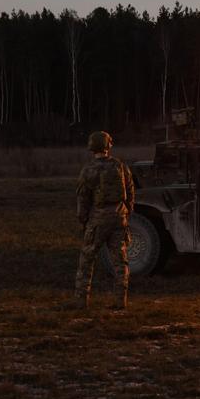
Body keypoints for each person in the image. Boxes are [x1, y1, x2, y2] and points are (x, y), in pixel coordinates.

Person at [69, 131, 134, 310]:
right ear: (108, 146)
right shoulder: (120, 166)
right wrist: (126, 213)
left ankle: (81, 301)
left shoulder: (89, 170)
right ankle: (120, 301)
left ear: (92, 147)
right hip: (119, 218)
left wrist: (83, 220)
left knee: (86, 260)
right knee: (120, 261)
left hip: (98, 219)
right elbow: (130, 192)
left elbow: (83, 198)